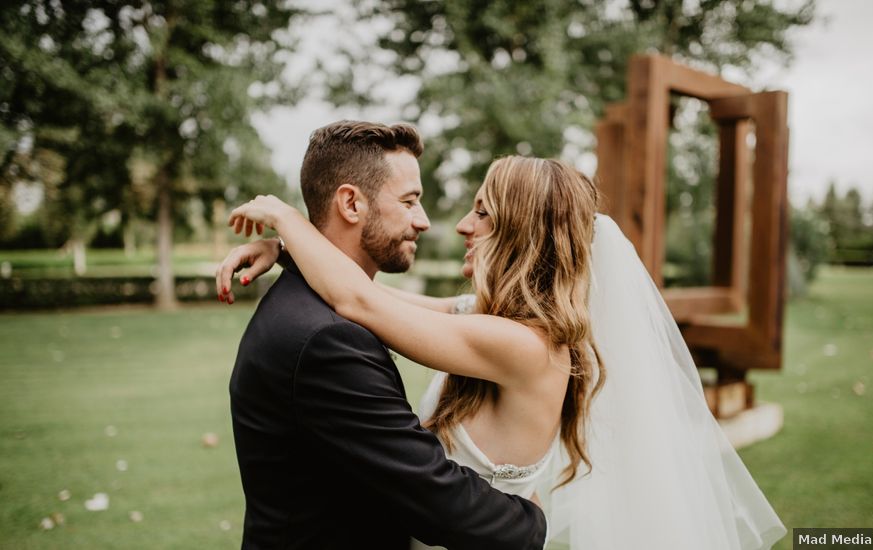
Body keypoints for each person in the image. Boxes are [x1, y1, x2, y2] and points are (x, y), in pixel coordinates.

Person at [220, 135, 787, 549]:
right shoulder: (486, 320)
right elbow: (385, 303)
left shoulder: (524, 347)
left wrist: (284, 219)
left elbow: (362, 304)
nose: (461, 225)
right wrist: (290, 256)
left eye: (483, 212)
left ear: (520, 233)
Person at [224, 120, 547, 550]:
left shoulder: (316, 306)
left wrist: (288, 246)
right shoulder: (328, 338)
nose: (426, 222)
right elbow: (433, 494)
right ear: (351, 204)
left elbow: (364, 297)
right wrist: (532, 524)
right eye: (410, 201)